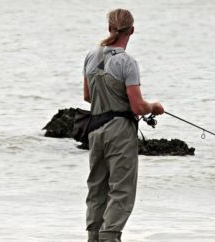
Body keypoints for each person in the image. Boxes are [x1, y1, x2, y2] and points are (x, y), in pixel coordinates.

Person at [82, 9, 164, 242]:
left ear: (109, 28)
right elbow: (138, 107)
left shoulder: (91, 55)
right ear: (132, 31)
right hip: (119, 131)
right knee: (121, 190)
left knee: (97, 188)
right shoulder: (127, 62)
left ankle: (94, 237)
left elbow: (88, 97)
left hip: (95, 130)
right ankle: (110, 237)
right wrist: (155, 107)